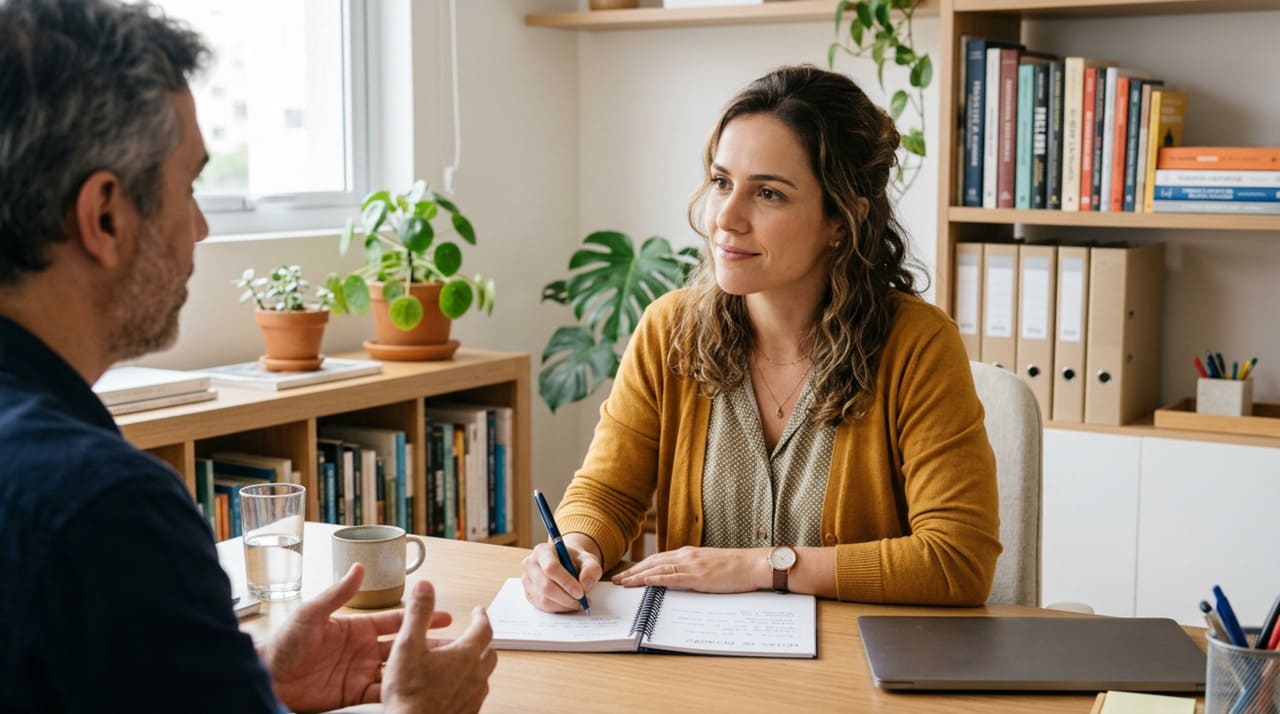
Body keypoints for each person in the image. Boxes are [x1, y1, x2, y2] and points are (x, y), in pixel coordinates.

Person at [0, 1, 495, 712]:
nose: (200, 227)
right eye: (190, 186)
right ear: (105, 216)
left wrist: (251, 686)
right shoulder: (107, 512)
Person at [522, 65, 1001, 612]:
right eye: (722, 182)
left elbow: (957, 560)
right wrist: (576, 548)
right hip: (693, 666)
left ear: (842, 220)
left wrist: (760, 566)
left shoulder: (917, 345)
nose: (725, 217)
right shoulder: (668, 331)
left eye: (768, 193)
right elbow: (607, 493)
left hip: (851, 676)